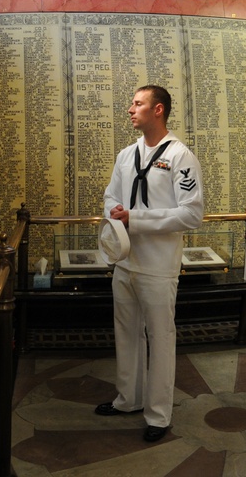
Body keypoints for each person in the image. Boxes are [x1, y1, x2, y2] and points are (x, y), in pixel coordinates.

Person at [95, 85, 204, 442]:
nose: (130, 109)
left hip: (158, 265)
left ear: (158, 110)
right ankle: (128, 399)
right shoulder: (127, 154)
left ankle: (158, 415)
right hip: (126, 261)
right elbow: (112, 194)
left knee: (160, 338)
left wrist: (136, 220)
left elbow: (191, 214)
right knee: (126, 333)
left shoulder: (180, 155)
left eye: (137, 104)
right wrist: (113, 212)